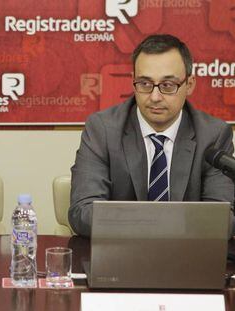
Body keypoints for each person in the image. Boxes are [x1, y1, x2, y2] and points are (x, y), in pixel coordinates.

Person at [69, 34, 234, 237]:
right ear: (133, 82)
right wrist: (155, 225)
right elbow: (82, 212)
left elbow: (223, 219)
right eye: (145, 84)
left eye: (167, 85)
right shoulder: (103, 129)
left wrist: (144, 223)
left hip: (188, 258)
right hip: (120, 257)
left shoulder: (213, 135)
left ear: (189, 84)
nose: (155, 97)